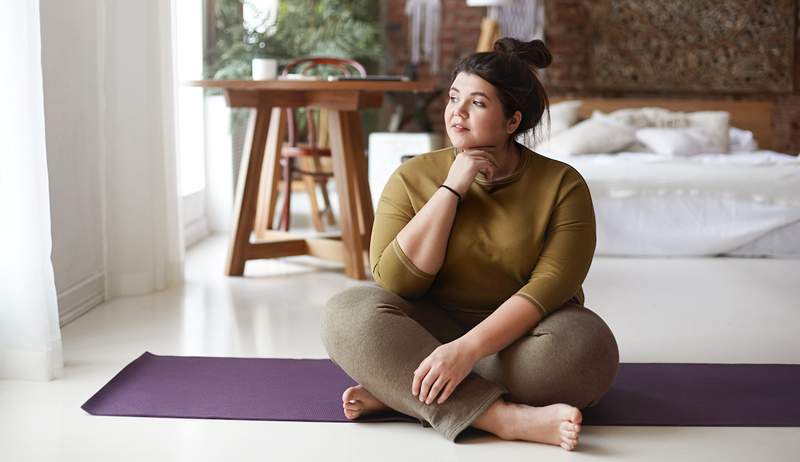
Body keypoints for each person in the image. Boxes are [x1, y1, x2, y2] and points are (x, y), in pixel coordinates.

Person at [320, 37, 619, 451]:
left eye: (477, 104)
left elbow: (550, 287)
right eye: (454, 98)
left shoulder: (562, 185)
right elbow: (395, 282)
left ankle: (405, 391)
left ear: (512, 121)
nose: (456, 113)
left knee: (587, 350)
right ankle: (502, 417)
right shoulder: (412, 177)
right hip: (430, 326)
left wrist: (464, 352)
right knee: (345, 314)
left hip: (520, 339)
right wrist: (451, 189)